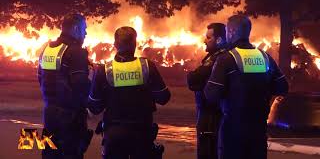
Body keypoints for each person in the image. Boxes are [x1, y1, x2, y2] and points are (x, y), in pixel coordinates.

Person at [204, 15, 289, 159]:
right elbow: (282, 87)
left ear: (231, 33)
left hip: (233, 130)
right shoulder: (265, 57)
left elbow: (211, 94)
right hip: (258, 130)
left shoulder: (227, 59)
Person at [88, 26, 171, 159]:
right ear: (135, 44)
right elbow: (164, 97)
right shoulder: (146, 66)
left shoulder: (104, 70)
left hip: (114, 134)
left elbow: (94, 106)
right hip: (142, 133)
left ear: (115, 45)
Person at [38, 14, 93, 159]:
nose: (85, 33)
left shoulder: (46, 49)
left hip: (48, 114)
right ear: (75, 29)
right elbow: (80, 84)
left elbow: (40, 79)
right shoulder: (77, 52)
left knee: (49, 153)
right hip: (71, 117)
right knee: (72, 153)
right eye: (84, 29)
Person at [187, 23, 227, 159]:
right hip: (213, 113)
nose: (205, 40)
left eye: (209, 38)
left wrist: (192, 75)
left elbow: (194, 79)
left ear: (220, 39)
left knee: (208, 151)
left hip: (211, 116)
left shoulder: (218, 58)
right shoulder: (220, 56)